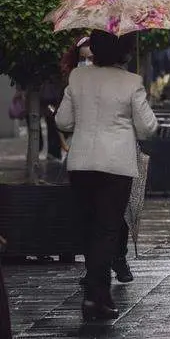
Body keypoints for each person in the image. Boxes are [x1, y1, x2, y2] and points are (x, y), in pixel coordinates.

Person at [56, 30, 158, 321]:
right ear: (125, 52)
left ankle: (97, 295)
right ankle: (94, 295)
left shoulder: (77, 77)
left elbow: (63, 120)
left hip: (81, 164)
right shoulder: (131, 82)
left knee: (89, 228)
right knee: (107, 230)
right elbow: (148, 128)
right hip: (115, 166)